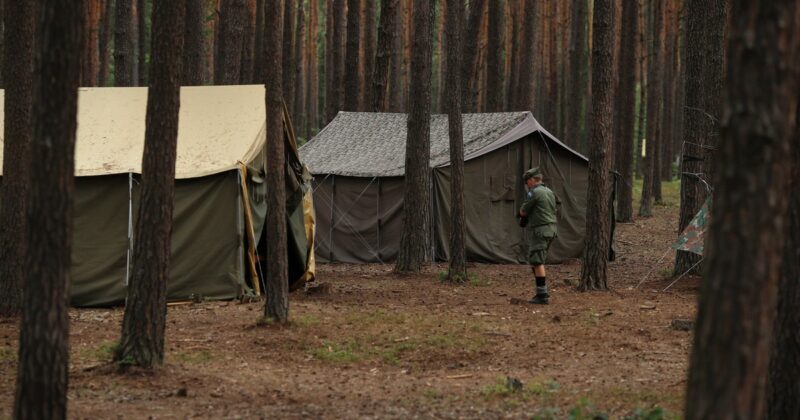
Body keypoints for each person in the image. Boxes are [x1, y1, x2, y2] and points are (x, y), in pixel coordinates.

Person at [518, 167, 557, 304]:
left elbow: (523, 211)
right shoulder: (549, 191)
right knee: (536, 260)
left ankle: (542, 295)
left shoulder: (534, 192)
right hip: (551, 229)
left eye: (527, 182)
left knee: (537, 261)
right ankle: (541, 291)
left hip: (541, 229)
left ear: (532, 180)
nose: (527, 185)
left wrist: (521, 214)